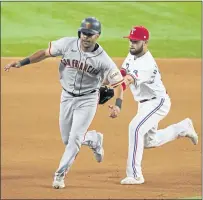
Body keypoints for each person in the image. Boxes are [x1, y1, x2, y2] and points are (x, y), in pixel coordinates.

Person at [4, 17, 124, 189]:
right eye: (84, 33)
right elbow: (44, 53)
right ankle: (94, 139)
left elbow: (119, 84)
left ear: (97, 36)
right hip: (66, 96)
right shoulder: (67, 44)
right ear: (79, 32)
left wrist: (118, 106)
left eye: (90, 34)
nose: (86, 37)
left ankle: (59, 175)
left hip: (87, 99)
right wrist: (22, 62)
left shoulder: (103, 59)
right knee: (67, 139)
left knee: (74, 139)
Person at [108, 25, 198, 185]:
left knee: (135, 128)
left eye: (135, 42)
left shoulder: (147, 65)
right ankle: (183, 127)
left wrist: (111, 86)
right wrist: (117, 102)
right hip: (144, 104)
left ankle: (135, 175)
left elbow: (126, 81)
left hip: (157, 102)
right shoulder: (132, 54)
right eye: (130, 41)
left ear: (145, 42)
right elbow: (121, 75)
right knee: (149, 141)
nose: (131, 44)